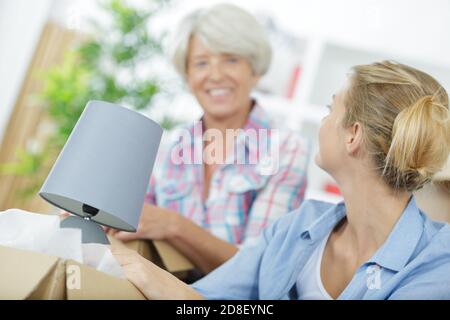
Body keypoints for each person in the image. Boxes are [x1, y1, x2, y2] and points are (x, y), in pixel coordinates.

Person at [112, 61, 450, 299]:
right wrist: (123, 259)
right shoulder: (298, 228)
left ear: (353, 136)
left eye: (330, 110)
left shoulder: (439, 264)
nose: (323, 122)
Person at [108, 3, 309, 276]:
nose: (215, 75)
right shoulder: (167, 150)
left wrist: (174, 226)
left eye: (231, 60)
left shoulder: (286, 150)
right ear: (187, 75)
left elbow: (259, 270)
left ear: (255, 68)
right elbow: (134, 225)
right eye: (201, 63)